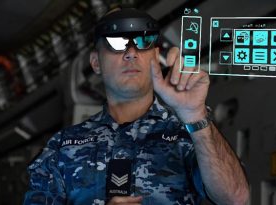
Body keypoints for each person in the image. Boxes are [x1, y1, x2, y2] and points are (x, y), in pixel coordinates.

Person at [24, 7, 249, 205]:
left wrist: (195, 115)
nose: (131, 53)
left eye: (142, 41)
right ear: (96, 63)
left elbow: (236, 198)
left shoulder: (187, 136)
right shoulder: (63, 147)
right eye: (116, 42)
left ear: (155, 57)